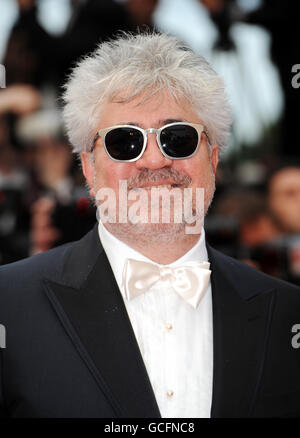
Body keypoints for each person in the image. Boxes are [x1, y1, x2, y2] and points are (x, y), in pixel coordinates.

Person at [0, 32, 300, 419]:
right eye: (126, 142)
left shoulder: (290, 313)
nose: (155, 161)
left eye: (178, 138)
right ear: (89, 167)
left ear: (213, 158)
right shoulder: (7, 304)